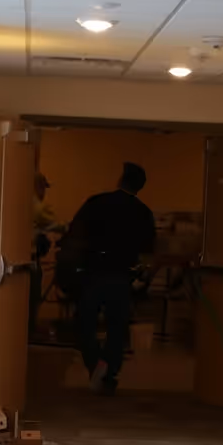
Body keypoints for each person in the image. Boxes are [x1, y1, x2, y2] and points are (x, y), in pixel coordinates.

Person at [63, 162, 156, 395]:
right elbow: (148, 250)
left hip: (92, 271)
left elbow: (75, 234)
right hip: (121, 274)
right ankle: (109, 370)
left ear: (120, 180)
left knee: (85, 323)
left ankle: (94, 363)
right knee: (117, 326)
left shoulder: (96, 203)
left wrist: (72, 267)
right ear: (141, 186)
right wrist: (141, 275)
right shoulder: (143, 212)